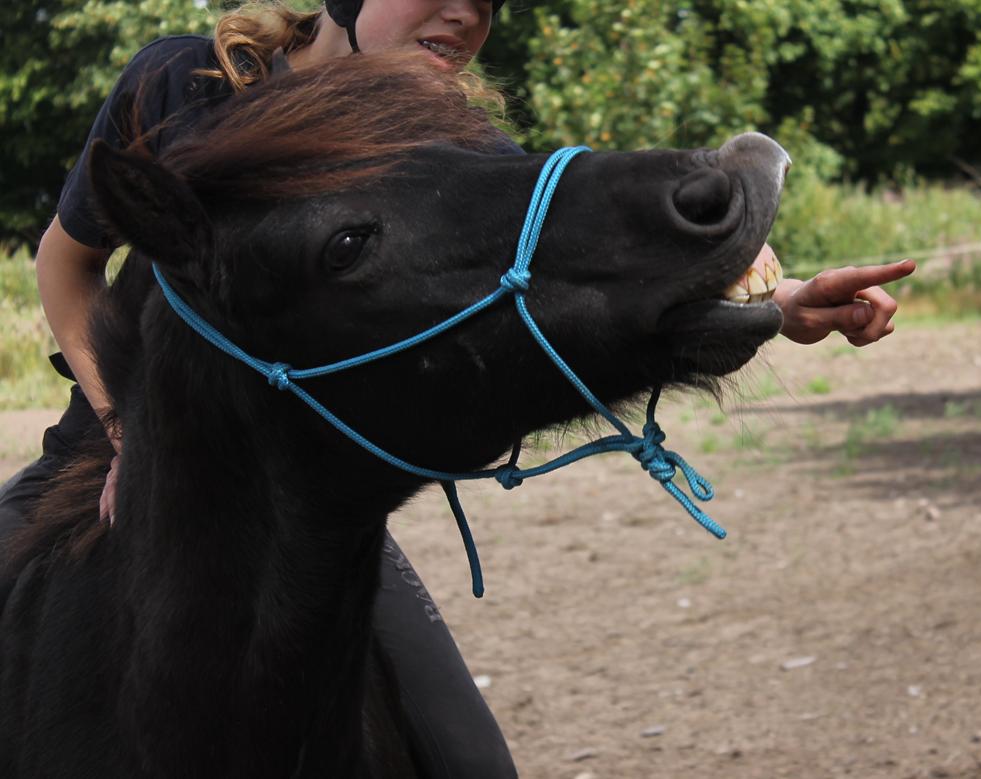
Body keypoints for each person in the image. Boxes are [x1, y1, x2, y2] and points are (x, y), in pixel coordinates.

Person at [0, 1, 913, 776]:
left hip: (302, 513)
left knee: (468, 759)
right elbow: (64, 267)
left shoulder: (450, 137)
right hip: (110, 462)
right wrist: (126, 438)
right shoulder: (182, 83)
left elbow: (558, 267)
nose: (470, 11)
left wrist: (778, 303)